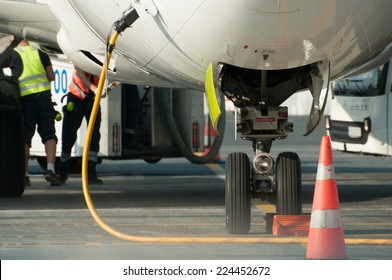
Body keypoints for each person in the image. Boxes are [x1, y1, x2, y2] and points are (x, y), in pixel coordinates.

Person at [0, 38, 61, 186]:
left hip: (26, 100)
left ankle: (25, 174)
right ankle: (51, 169)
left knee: (26, 138)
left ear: (14, 38)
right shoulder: (40, 53)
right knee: (49, 135)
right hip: (45, 98)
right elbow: (51, 76)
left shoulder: (12, 54)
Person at [57, 66, 103, 185]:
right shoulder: (80, 53)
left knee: (94, 137)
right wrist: (95, 89)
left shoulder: (100, 57)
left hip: (92, 100)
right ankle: (62, 173)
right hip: (76, 99)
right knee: (69, 136)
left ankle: (91, 174)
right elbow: (81, 75)